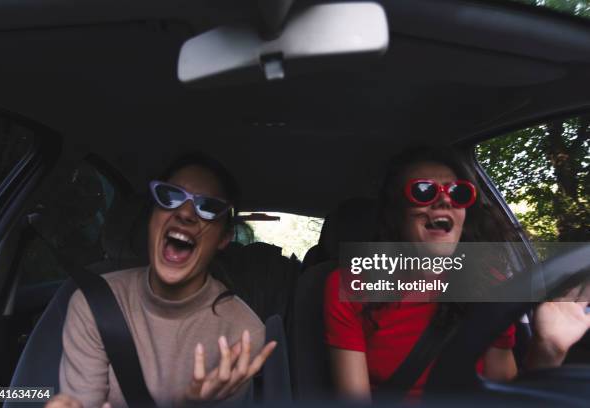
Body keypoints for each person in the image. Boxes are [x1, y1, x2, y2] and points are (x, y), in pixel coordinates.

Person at [324, 146, 590, 400]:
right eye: (424, 191)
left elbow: (504, 392)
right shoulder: (352, 283)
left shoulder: (490, 283)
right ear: (396, 212)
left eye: (459, 194)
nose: (444, 200)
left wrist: (547, 350)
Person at [46, 153, 277, 408]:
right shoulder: (92, 303)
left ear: (224, 239)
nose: (186, 213)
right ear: (151, 218)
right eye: (169, 196)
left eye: (209, 207)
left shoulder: (243, 334)